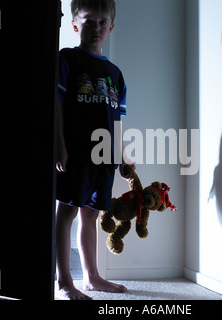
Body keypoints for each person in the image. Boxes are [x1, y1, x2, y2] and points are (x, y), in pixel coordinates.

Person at [55, 0, 134, 300]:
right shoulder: (68, 60)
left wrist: (124, 154)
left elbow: (117, 120)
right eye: (89, 21)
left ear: (111, 27)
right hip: (74, 152)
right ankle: (64, 281)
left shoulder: (115, 73)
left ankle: (92, 276)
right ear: (75, 25)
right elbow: (58, 104)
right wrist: (59, 143)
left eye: (103, 22)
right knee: (68, 211)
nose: (96, 28)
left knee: (91, 213)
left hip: (104, 157)